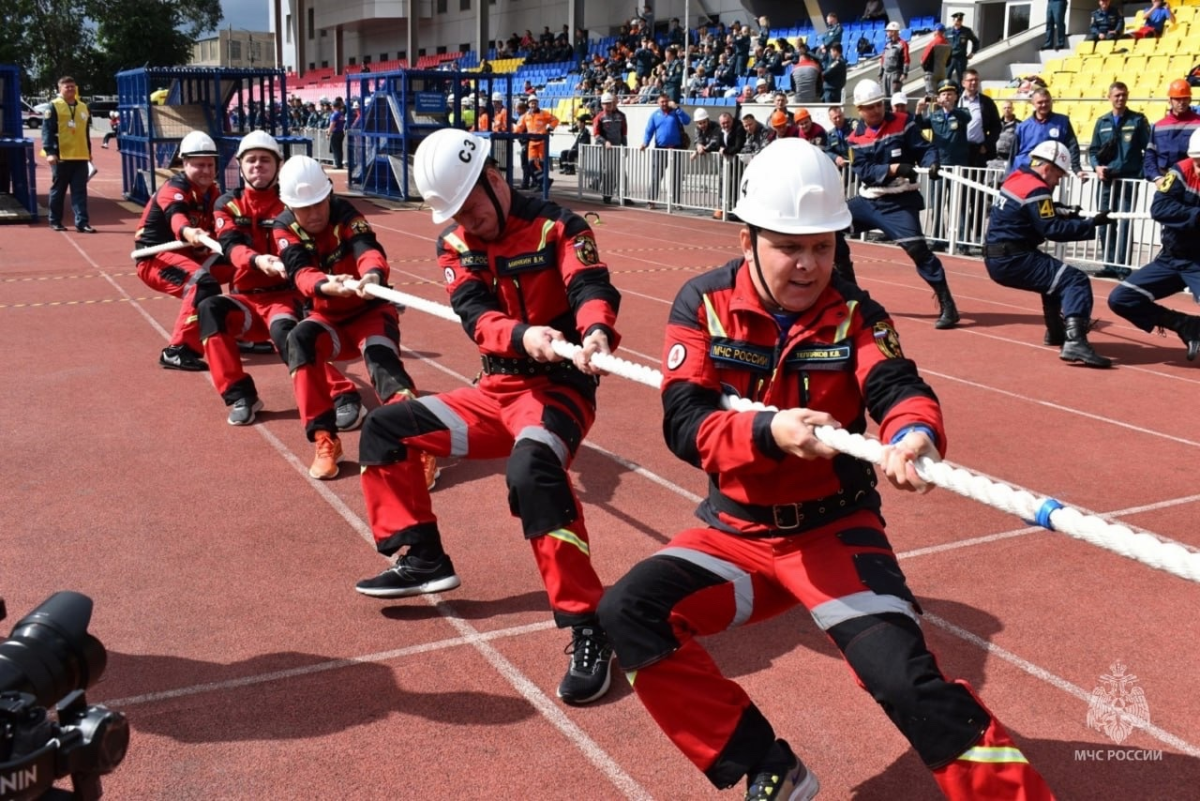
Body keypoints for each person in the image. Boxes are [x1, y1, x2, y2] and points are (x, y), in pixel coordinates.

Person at [598, 138, 1056, 801]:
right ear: (749, 234)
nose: (811, 264)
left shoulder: (856, 314)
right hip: (733, 534)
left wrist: (915, 435)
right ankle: (768, 769)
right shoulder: (701, 302)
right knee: (628, 611)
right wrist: (769, 430)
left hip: (834, 531)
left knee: (905, 681)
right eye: (791, 246)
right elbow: (683, 421)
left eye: (824, 245)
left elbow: (898, 386)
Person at [357, 129, 622, 706]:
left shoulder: (560, 226)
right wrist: (526, 337)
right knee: (385, 429)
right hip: (495, 389)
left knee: (533, 474)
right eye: (455, 214)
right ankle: (422, 556)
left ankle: (588, 624)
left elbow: (589, 285)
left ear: (496, 179)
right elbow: (474, 314)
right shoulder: (454, 242)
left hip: (557, 391)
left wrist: (596, 328)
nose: (468, 222)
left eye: (472, 207)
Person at [273, 156, 434, 484]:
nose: (315, 213)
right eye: (305, 208)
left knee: (382, 363)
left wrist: (372, 276)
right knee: (298, 340)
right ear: (290, 206)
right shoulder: (283, 227)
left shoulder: (346, 214)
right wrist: (325, 285)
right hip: (327, 317)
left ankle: (422, 446)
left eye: (320, 203)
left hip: (369, 312)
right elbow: (298, 269)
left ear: (329, 195)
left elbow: (367, 248)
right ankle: (324, 439)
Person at [198, 132, 364, 429]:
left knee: (286, 333)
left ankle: (344, 395)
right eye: (251, 160)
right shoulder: (227, 204)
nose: (257, 166)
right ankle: (240, 396)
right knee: (210, 309)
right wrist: (258, 260)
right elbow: (230, 245)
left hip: (286, 298)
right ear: (240, 164)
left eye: (265, 160)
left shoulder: (295, 203)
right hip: (246, 302)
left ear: (278, 166)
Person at [984, 140, 1114, 367]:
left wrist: (1061, 210)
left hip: (1000, 256)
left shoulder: (1016, 178)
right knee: (1075, 280)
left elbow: (1035, 212)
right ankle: (1075, 341)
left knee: (1054, 281)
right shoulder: (1036, 188)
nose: (1057, 182)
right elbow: (1052, 229)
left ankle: (1056, 332)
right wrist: (1090, 224)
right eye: (1059, 176)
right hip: (1013, 258)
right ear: (1047, 169)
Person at [846, 79, 960, 328]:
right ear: (859, 110)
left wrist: (932, 162)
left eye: (878, 105)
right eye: (869, 107)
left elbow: (925, 148)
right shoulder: (854, 138)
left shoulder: (903, 122)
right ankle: (849, 295)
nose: (875, 110)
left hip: (900, 201)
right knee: (829, 227)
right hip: (870, 199)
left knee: (918, 251)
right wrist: (895, 168)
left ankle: (947, 304)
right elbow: (864, 171)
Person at [132, 130, 225, 371]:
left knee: (243, 265)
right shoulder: (174, 188)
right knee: (202, 285)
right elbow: (177, 217)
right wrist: (190, 233)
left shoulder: (213, 193)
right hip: (155, 259)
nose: (205, 170)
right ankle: (177, 350)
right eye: (198, 165)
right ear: (184, 164)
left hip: (192, 255)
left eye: (210, 164)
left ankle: (240, 331)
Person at [1108, 128, 1200, 361]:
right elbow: (1159, 208)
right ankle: (1185, 324)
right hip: (1171, 258)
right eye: (1197, 162)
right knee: (1121, 300)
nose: (1197, 169)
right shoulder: (1181, 170)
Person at [1088, 82, 1151, 278]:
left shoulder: (1137, 120)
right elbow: (1092, 151)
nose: (1120, 98)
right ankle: (1108, 265)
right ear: (1109, 97)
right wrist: (1096, 167)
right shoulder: (1102, 121)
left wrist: (1140, 173)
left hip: (1128, 180)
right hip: (1106, 181)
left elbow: (1148, 149)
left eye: (1123, 95)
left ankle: (1122, 267)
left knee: (1124, 222)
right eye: (1117, 95)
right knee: (1105, 220)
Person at [916, 80, 972, 246]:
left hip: (958, 165)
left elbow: (967, 118)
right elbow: (919, 125)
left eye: (950, 94)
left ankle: (963, 241)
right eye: (943, 94)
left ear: (956, 96)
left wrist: (950, 108)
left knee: (960, 204)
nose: (946, 97)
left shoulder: (962, 112)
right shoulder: (935, 116)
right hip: (939, 165)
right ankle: (938, 237)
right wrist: (919, 110)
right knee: (938, 203)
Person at [42, 76, 94, 233]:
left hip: (80, 156)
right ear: (60, 89)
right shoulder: (53, 107)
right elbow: (47, 131)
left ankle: (82, 223)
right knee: (59, 191)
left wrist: (89, 152)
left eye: (72, 86)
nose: (70, 89)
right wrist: (50, 152)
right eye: (67, 87)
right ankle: (55, 221)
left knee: (80, 191)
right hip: (62, 156)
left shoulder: (83, 107)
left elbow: (85, 132)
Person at [1009, 89, 1083, 178]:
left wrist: (1077, 169)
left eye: (1047, 101)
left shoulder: (1062, 122)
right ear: (1033, 104)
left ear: (1051, 101)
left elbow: (1072, 146)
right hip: (1023, 171)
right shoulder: (1022, 126)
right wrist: (1007, 176)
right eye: (1040, 102)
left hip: (1047, 174)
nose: (1044, 105)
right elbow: (1013, 154)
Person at [1144, 79, 1200, 184]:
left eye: (1185, 98)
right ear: (1169, 100)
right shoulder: (1158, 126)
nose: (1182, 102)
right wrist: (1156, 178)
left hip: (1192, 182)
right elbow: (1150, 155)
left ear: (1190, 99)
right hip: (1165, 181)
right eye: (1177, 99)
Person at [640, 93, 691, 208]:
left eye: (665, 101)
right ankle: (651, 201)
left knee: (676, 177)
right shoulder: (655, 115)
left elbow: (687, 121)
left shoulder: (676, 113)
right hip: (660, 150)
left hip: (676, 149)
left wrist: (677, 108)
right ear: (658, 103)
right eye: (661, 102)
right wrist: (645, 143)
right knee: (656, 176)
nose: (664, 104)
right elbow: (649, 131)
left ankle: (677, 202)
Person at [515, 95, 559, 189]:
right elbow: (520, 127)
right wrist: (513, 134)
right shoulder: (525, 116)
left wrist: (550, 128)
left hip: (542, 142)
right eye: (531, 103)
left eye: (535, 102)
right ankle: (545, 181)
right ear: (528, 104)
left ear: (538, 103)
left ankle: (541, 184)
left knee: (542, 164)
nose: (533, 104)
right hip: (531, 143)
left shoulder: (544, 113)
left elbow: (555, 120)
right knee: (531, 164)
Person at [592, 91, 628, 204]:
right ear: (602, 104)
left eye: (610, 103)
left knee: (622, 172)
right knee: (608, 172)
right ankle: (607, 195)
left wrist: (625, 147)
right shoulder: (599, 117)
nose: (608, 105)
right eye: (606, 103)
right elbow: (596, 135)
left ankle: (624, 196)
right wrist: (605, 142)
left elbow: (624, 133)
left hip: (618, 149)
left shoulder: (621, 116)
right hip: (606, 149)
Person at [713, 111, 746, 220]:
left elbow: (738, 147)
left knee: (737, 185)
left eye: (727, 122)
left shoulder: (739, 129)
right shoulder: (719, 130)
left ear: (732, 120)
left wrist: (725, 150)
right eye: (723, 123)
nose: (725, 125)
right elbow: (717, 144)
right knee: (724, 184)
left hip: (738, 163)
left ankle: (737, 210)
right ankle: (724, 208)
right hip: (726, 163)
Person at [945, 13, 979, 86]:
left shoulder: (966, 31)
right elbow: (942, 43)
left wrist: (972, 52)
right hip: (950, 58)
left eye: (960, 20)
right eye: (957, 20)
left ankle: (961, 95)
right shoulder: (947, 31)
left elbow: (976, 42)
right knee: (946, 77)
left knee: (962, 78)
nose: (959, 22)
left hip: (961, 58)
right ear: (953, 20)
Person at [878, 21, 909, 96]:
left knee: (895, 95)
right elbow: (883, 59)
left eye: (888, 31)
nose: (887, 33)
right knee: (885, 96)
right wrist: (880, 73)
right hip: (885, 74)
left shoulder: (902, 44)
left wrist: (904, 73)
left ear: (893, 32)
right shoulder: (887, 45)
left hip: (895, 74)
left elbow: (906, 59)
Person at [921, 24, 951, 98]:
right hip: (942, 73)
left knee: (930, 96)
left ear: (936, 31)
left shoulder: (933, 43)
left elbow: (923, 59)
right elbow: (949, 62)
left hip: (932, 73)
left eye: (934, 31)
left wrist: (925, 69)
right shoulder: (948, 45)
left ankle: (931, 109)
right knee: (941, 94)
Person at [327, 99, 346, 170]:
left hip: (335, 133)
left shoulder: (335, 114)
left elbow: (332, 124)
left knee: (335, 149)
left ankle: (338, 164)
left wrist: (328, 133)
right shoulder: (341, 114)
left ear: (335, 106)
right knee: (339, 149)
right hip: (341, 132)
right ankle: (339, 164)